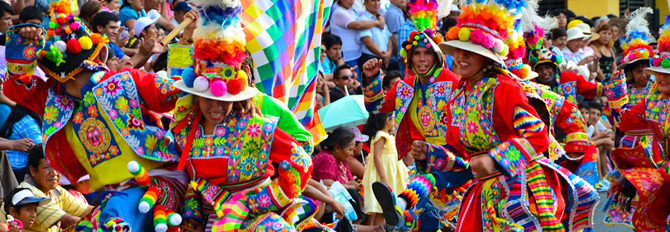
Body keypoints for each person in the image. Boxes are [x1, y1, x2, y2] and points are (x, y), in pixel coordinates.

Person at [395, 0, 596, 230]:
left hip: (520, 190)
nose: (461, 57)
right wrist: (430, 153)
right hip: (482, 194)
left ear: (487, 57)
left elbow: (537, 136)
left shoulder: (504, 88)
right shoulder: (458, 96)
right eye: (459, 50)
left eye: (470, 52)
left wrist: (495, 159)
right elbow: (459, 154)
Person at [1, 0, 199, 229]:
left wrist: (189, 39)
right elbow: (15, 85)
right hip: (114, 195)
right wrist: (23, 38)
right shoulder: (56, 100)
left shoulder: (125, 81)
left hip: (156, 184)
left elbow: (180, 91)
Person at [169, 0, 312, 229]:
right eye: (209, 99)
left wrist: (254, 202)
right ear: (196, 96)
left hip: (255, 221)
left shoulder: (255, 126)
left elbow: (301, 160)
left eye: (224, 101)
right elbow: (170, 82)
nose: (216, 108)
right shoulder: (185, 129)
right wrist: (187, 34)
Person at [362, 1, 465, 231]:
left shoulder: (455, 83)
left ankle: (400, 209)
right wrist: (371, 80)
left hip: (457, 160)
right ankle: (401, 213)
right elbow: (376, 108)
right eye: (416, 53)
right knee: (428, 221)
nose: (421, 59)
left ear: (437, 56)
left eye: (427, 53)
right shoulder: (404, 87)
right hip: (423, 162)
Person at [600, 15, 670, 231]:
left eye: (667, 74)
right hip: (662, 166)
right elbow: (626, 123)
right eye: (657, 74)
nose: (661, 79)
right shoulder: (653, 100)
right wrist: (617, 96)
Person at [0, 145, 93, 232]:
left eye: (57, 167)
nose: (54, 173)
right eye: (46, 167)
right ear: (32, 170)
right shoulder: (29, 194)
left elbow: (87, 210)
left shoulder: (56, 190)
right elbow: (69, 222)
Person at [361, 112, 408, 226]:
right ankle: (378, 228)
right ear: (388, 120)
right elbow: (376, 156)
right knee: (382, 208)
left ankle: (384, 227)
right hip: (385, 174)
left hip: (392, 173)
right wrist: (383, 177)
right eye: (393, 118)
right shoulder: (381, 136)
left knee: (388, 208)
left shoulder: (388, 135)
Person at [330, 0, 384, 78]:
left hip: (358, 54)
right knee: (353, 81)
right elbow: (358, 25)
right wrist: (377, 22)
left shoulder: (353, 10)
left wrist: (379, 15)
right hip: (347, 56)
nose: (351, 1)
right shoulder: (338, 12)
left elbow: (369, 12)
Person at [530, 48, 604, 105]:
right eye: (540, 69)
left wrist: (612, 84)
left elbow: (592, 89)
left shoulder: (569, 79)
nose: (544, 72)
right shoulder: (532, 88)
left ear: (554, 69)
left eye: (547, 67)